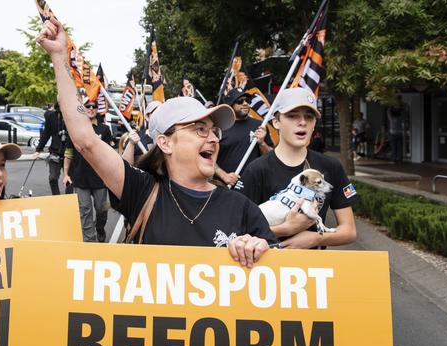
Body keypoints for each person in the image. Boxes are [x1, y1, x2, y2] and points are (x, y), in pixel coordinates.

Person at [37, 17, 275, 267]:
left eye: (215, 131)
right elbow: (85, 140)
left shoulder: (241, 207)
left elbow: (282, 274)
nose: (214, 138)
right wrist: (59, 56)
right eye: (200, 129)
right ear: (165, 143)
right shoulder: (142, 191)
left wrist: (263, 249)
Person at [242, 87, 357, 249]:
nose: (302, 122)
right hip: (270, 269)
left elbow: (349, 231)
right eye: (292, 116)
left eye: (309, 117)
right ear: (276, 122)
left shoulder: (331, 166)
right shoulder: (256, 170)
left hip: (314, 271)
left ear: (314, 123)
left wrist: (317, 238)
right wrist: (285, 230)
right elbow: (240, 232)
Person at [63, 100, 114, 242]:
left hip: (100, 178)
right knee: (85, 212)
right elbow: (68, 154)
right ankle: (89, 241)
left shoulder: (104, 129)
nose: (91, 109)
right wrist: (66, 174)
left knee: (101, 210)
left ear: (97, 110)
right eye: (88, 107)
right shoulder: (74, 129)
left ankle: (99, 228)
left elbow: (110, 153)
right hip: (80, 178)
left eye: (94, 107)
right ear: (83, 109)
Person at [215, 87, 274, 193]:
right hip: (224, 187)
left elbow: (271, 157)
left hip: (254, 187)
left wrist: (262, 143)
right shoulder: (219, 127)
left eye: (248, 100)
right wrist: (224, 176)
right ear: (230, 105)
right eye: (240, 101)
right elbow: (208, 158)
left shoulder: (260, 126)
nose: (246, 103)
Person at [33, 101, 67, 195]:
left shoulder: (72, 116)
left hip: (69, 152)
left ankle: (69, 200)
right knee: (52, 178)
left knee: (69, 179)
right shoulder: (52, 116)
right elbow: (46, 133)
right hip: (55, 151)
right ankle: (57, 198)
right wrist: (39, 149)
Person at [387, 99, 405, 164]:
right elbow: (402, 111)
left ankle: (393, 160)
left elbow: (388, 111)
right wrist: (400, 105)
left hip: (392, 133)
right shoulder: (400, 118)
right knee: (400, 147)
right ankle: (400, 160)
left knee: (394, 147)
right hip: (400, 133)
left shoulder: (391, 118)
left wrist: (391, 105)